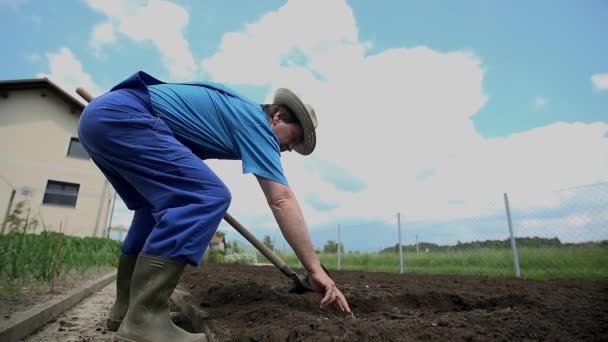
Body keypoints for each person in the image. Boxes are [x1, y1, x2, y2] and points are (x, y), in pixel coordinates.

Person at [77, 71, 351, 342]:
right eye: (293, 138)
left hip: (101, 118)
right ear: (278, 116)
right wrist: (315, 270)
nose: (289, 149)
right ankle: (145, 318)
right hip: (125, 117)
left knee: (153, 208)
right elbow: (281, 199)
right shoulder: (256, 122)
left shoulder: (232, 111)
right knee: (207, 196)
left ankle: (125, 310)